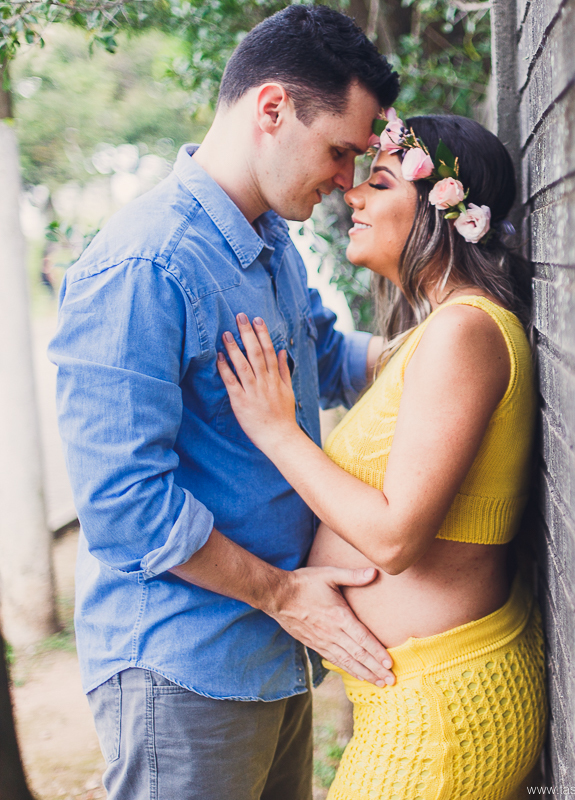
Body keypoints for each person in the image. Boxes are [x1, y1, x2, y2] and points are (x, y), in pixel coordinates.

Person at [48, 6, 401, 799]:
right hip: (183, 669)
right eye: (340, 152)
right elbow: (122, 505)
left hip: (275, 653)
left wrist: (435, 352)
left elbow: (320, 357)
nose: (347, 181)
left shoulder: (269, 241)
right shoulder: (143, 264)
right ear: (271, 108)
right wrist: (283, 595)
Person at [217, 113, 546, 799]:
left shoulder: (465, 331)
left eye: (381, 182)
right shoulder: (442, 333)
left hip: (437, 712)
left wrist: (278, 432)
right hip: (422, 697)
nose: (352, 197)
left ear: (439, 211)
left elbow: (395, 539)